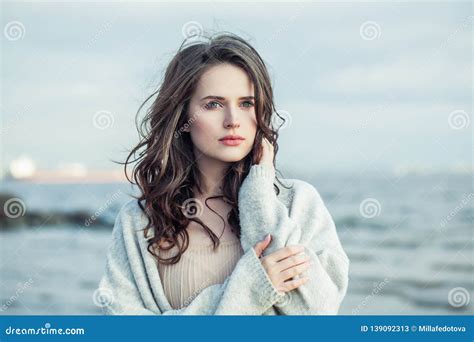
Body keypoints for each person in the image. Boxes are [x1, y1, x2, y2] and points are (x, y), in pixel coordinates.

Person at [96, 32, 350, 315]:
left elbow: (317, 314)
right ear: (183, 117)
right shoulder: (140, 220)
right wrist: (249, 291)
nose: (233, 121)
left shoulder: (299, 203)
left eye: (246, 104)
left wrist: (258, 196)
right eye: (213, 104)